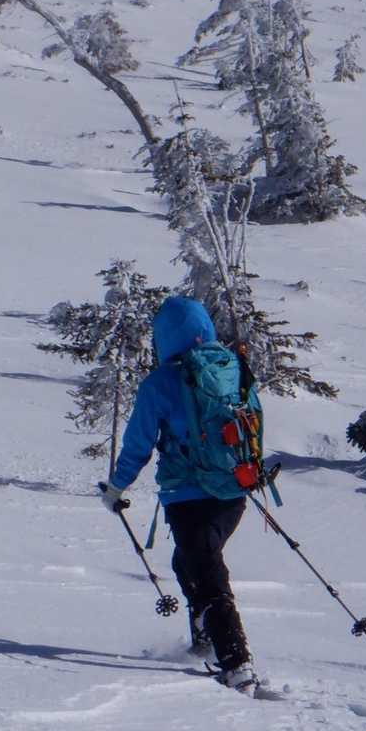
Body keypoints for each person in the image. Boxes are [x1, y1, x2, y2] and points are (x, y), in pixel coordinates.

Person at [97, 295, 260, 693]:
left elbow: (139, 443)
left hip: (186, 496)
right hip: (233, 491)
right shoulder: (234, 369)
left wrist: (117, 487)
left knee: (207, 573)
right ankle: (205, 640)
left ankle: (237, 664)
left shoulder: (161, 383)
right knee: (190, 562)